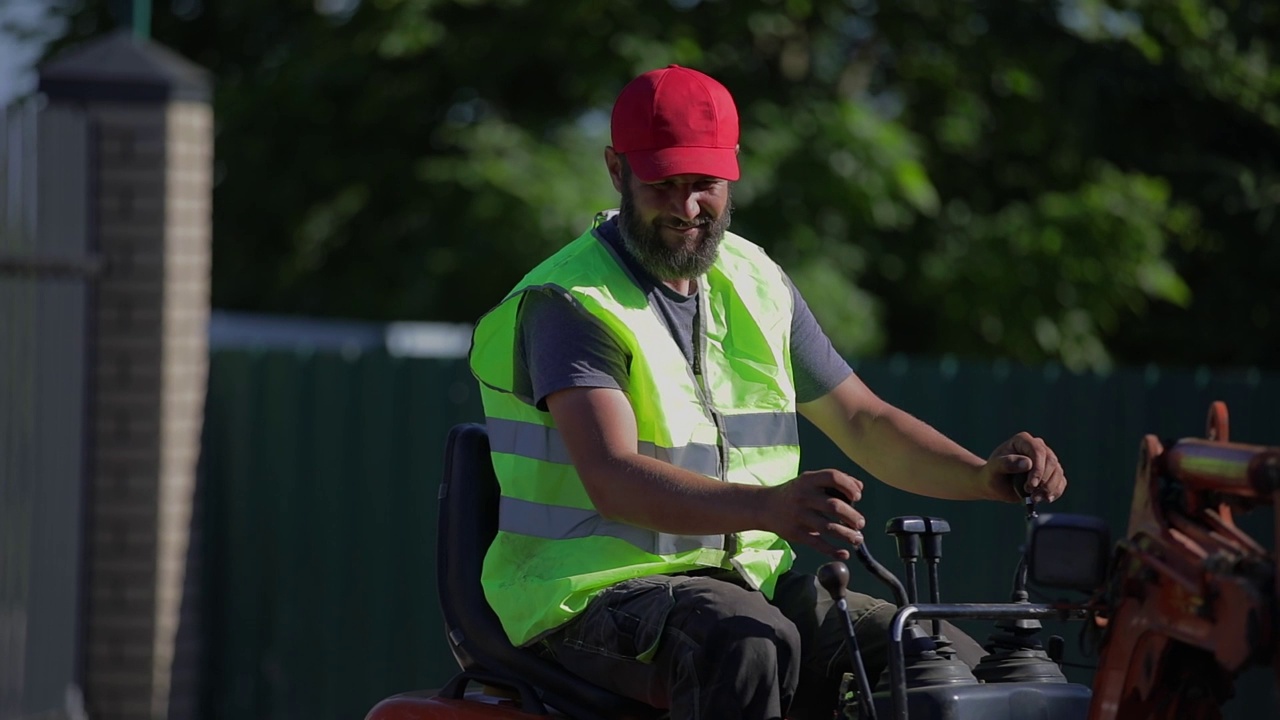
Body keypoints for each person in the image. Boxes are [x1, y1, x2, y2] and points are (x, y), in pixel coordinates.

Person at [467, 64, 1068, 720]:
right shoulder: (572, 302)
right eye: (663, 185)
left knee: (933, 656)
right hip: (588, 603)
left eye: (704, 185)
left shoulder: (755, 282)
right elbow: (612, 477)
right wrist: (770, 506)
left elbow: (864, 419)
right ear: (617, 170)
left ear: (733, 172)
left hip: (745, 586)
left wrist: (980, 476)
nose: (687, 207)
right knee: (749, 645)